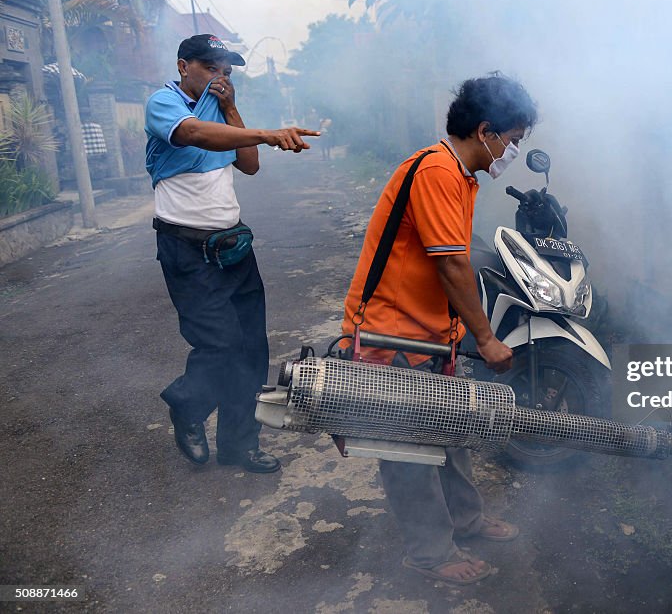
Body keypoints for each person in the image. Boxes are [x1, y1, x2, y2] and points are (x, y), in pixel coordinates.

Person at [337, 73, 539, 584]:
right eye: (512, 140)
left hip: (426, 335)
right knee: (409, 450)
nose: (512, 150)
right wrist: (487, 339)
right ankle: (429, 552)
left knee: (451, 432)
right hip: (390, 337)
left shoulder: (459, 176)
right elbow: (451, 265)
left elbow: (457, 252)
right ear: (487, 130)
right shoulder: (436, 172)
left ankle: (465, 521)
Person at [145, 34, 319, 473]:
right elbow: (194, 134)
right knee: (220, 344)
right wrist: (268, 132)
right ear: (184, 66)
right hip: (187, 249)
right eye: (210, 67)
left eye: (225, 70)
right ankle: (186, 406)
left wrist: (233, 109)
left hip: (233, 246)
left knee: (250, 350)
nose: (219, 77)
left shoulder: (221, 111)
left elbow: (249, 164)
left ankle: (240, 445)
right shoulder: (164, 104)